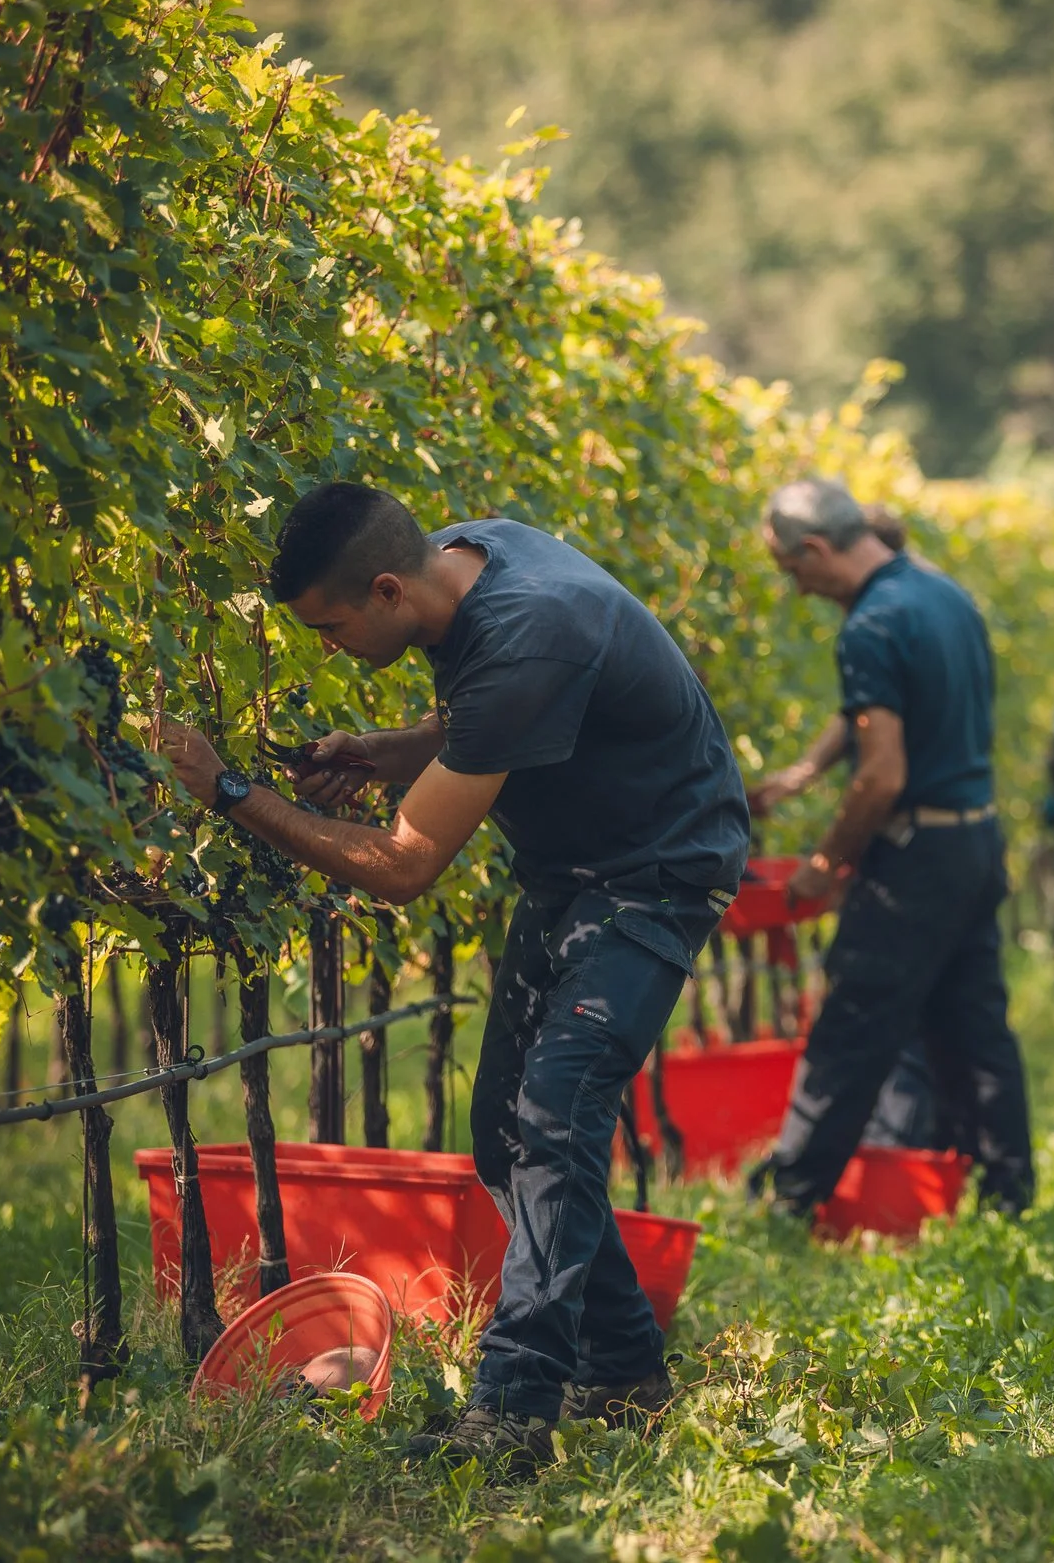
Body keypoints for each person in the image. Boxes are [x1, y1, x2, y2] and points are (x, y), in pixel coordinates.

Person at [151, 483, 749, 1476]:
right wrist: (383, 753)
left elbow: (403, 866)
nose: (328, 649)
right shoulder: (474, 556)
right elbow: (487, 716)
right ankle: (624, 1369)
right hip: (574, 870)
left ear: (388, 589)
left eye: (332, 628)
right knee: (505, 1133)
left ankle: (512, 1410)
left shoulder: (528, 631)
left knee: (555, 1119)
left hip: (659, 869)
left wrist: (229, 791)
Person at [745, 478, 1034, 1218]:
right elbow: (876, 714)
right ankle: (1008, 1196)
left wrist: (825, 864)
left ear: (816, 549)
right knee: (976, 1031)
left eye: (792, 569)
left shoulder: (870, 626)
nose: (798, 588)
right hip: (974, 842)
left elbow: (881, 775)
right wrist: (803, 774)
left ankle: (792, 1197)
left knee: (853, 1024)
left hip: (913, 860)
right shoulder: (942, 595)